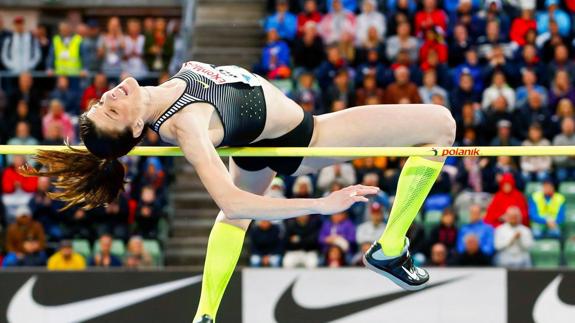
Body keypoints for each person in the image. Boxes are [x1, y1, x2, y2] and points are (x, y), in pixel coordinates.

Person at [27, 59, 456, 323]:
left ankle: (205, 315)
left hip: (258, 144)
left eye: (101, 102)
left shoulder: (163, 94)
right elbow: (230, 200)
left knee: (233, 223)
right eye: (113, 109)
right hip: (306, 141)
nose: (109, 95)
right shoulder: (186, 126)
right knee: (440, 124)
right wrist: (322, 205)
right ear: (136, 128)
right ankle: (390, 247)